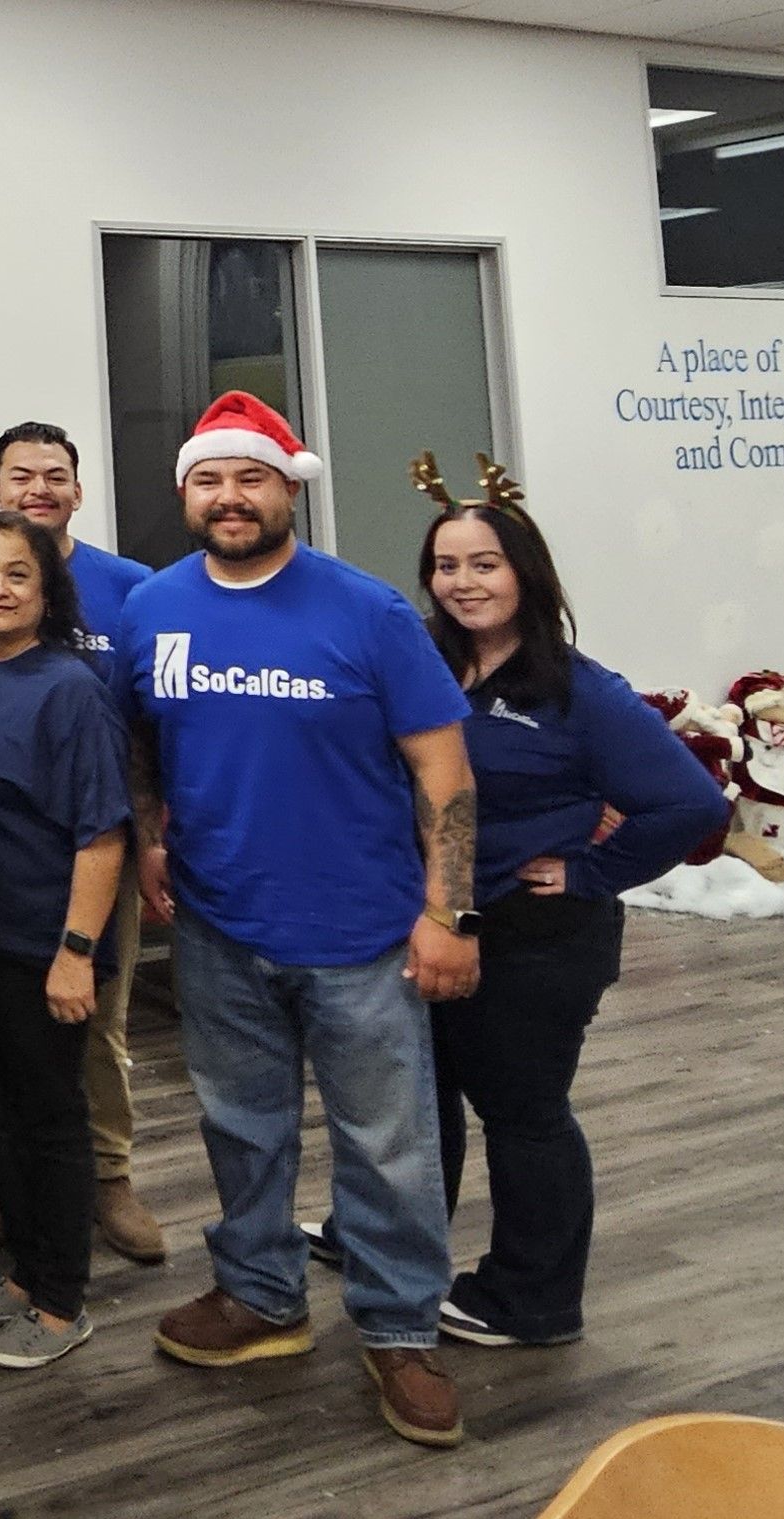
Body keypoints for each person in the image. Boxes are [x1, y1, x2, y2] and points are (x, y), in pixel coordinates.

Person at [118, 393, 479, 1450]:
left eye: (250, 479)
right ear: (185, 493)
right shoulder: (152, 610)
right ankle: (261, 1295)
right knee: (241, 1128)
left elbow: (442, 771)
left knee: (388, 1147)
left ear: (288, 489)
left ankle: (401, 1328)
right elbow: (141, 741)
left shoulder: (365, 613)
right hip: (220, 927)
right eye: (208, 481)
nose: (229, 498)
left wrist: (447, 912)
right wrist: (149, 837)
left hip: (364, 934)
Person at [310, 457, 715, 1347]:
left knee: (524, 1115)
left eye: (483, 563)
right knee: (421, 1098)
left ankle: (533, 1299)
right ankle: (383, 1240)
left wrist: (590, 872)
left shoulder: (581, 691)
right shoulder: (421, 662)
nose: (463, 583)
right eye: (447, 566)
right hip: (428, 922)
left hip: (535, 941)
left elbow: (691, 804)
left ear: (525, 573)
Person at [0, 423, 164, 1265]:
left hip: (89, 847)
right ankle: (18, 1187)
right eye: (21, 475)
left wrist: (150, 837)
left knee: (93, 1026)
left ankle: (105, 1181)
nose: (39, 487)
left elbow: (148, 725)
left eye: (56, 475)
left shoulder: (129, 591)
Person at [0, 512, 131, 1377]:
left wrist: (77, 951)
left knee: (49, 1118)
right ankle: (26, 1270)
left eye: (15, 575)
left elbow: (102, 835)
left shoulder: (70, 688)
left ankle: (60, 1298)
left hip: (40, 942)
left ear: (46, 593)